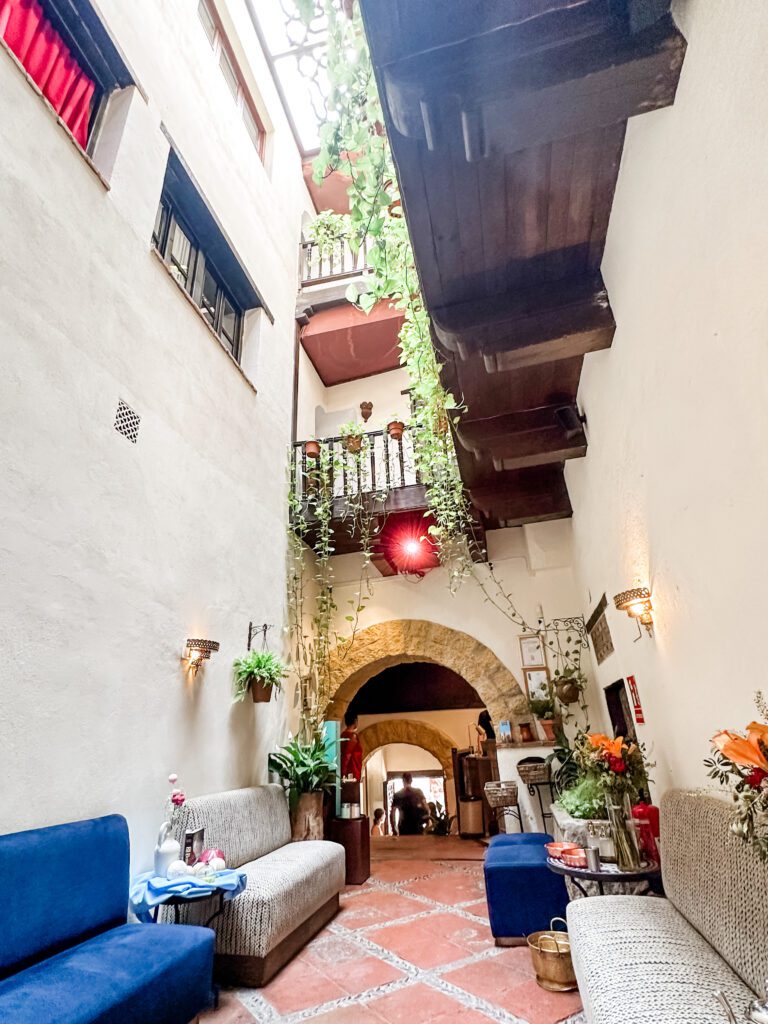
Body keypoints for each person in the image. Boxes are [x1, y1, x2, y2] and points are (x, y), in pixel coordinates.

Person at [340, 711, 363, 804]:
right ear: (355, 721)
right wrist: (343, 773)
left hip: (350, 772)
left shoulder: (343, 735)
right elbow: (347, 755)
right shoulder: (352, 736)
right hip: (351, 773)